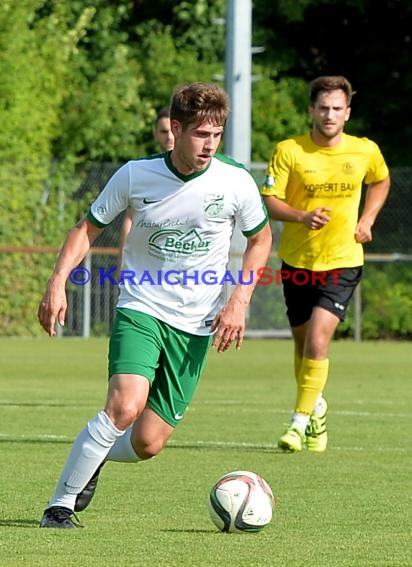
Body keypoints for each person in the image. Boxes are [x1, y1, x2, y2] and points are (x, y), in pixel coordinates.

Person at [38, 82, 272, 528]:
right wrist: (57, 281)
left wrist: (240, 298)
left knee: (148, 442)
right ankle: (60, 505)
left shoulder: (234, 180)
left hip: (198, 323)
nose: (209, 144)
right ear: (176, 129)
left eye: (216, 135)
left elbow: (260, 238)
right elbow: (87, 228)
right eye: (201, 134)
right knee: (124, 407)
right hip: (141, 307)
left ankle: (95, 454)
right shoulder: (134, 175)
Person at [260, 75, 390, 453]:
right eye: (323, 107)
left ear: (347, 113)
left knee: (318, 340)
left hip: (343, 261)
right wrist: (301, 217)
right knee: (303, 348)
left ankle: (297, 424)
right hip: (298, 261)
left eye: (337, 108)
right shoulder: (290, 151)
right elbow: (270, 199)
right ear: (310, 110)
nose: (329, 114)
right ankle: (316, 409)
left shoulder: (364, 151)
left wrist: (367, 220)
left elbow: (380, 182)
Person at [115, 106, 175, 279]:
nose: (169, 137)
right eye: (164, 131)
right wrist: (122, 261)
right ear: (155, 133)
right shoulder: (143, 172)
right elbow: (130, 217)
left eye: (172, 130)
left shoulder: (201, 172)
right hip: (146, 266)